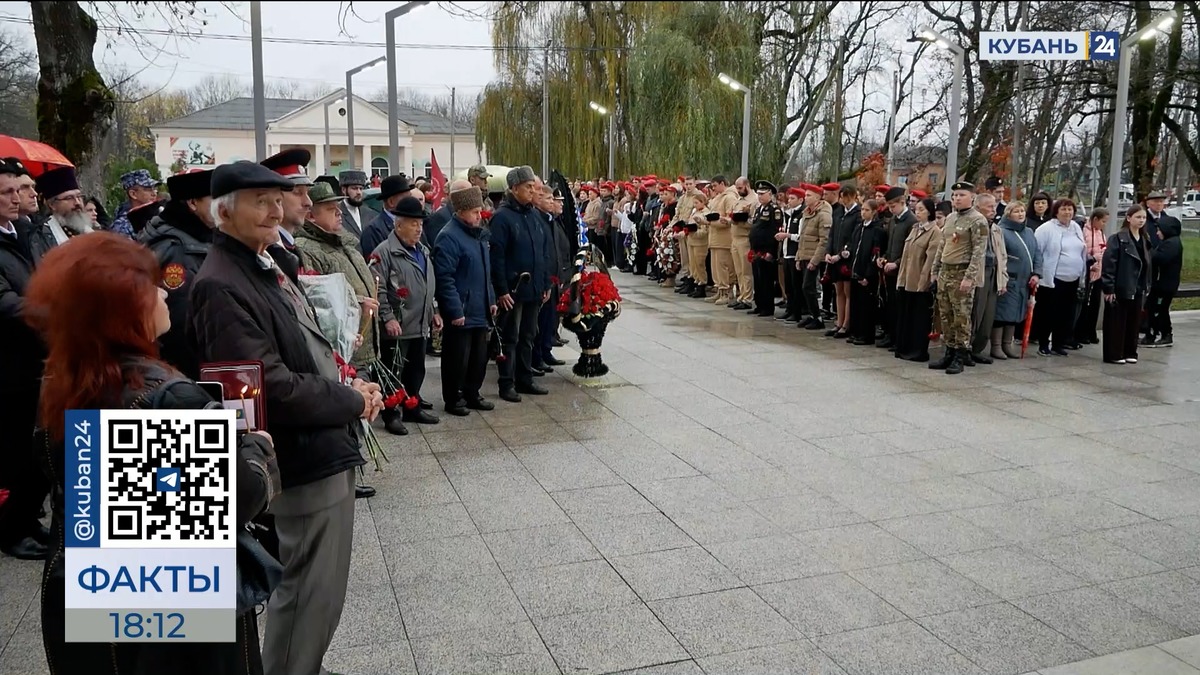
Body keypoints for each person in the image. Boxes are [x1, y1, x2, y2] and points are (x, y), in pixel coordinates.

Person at [26, 231, 280, 674]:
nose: (165, 292)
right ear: (122, 307)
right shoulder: (169, 397)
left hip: (97, 583)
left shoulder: (65, 379)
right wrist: (254, 446)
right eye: (150, 285)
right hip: (174, 600)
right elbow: (236, 499)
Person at [188, 161, 383, 675]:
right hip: (300, 457)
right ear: (223, 210)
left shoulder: (262, 260)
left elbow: (305, 348)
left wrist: (348, 385)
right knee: (306, 593)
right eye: (260, 200)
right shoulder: (220, 282)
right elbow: (265, 386)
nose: (275, 210)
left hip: (322, 442)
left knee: (322, 593)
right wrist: (350, 402)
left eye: (279, 199)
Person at [0, 158, 51, 560]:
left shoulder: (26, 232)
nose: (16, 199)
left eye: (17, 190)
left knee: (37, 449)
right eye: (6, 193)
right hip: (10, 362)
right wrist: (54, 310)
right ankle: (12, 529)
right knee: (17, 451)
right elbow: (5, 302)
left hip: (40, 354)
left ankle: (28, 517)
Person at [368, 194, 442, 430]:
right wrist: (388, 318)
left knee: (416, 370)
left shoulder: (423, 250)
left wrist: (434, 311)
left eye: (420, 224)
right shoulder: (384, 252)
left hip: (419, 324)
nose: (419, 229)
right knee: (393, 372)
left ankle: (413, 407)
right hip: (397, 327)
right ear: (398, 225)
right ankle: (391, 414)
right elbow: (377, 289)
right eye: (413, 224)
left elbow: (427, 286)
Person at [138, 168, 217, 379]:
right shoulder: (178, 251)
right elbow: (181, 326)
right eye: (215, 199)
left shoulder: (198, 238)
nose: (223, 206)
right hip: (188, 374)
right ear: (193, 203)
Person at [489, 166, 553, 402]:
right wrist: (502, 289)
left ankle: (525, 379)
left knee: (529, 335)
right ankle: (506, 383)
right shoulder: (502, 218)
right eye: (528, 187)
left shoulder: (534, 215)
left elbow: (543, 252)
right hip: (513, 291)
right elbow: (497, 257)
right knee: (510, 338)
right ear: (514, 189)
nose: (532, 191)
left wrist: (546, 283)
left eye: (534, 187)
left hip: (534, 288)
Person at [434, 183, 498, 416]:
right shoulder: (449, 237)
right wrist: (455, 311)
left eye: (480, 211)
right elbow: (445, 278)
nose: (479, 216)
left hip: (480, 308)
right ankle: (453, 398)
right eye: (474, 212)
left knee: (478, 357)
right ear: (461, 212)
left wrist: (491, 299)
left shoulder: (478, 234)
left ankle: (473, 392)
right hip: (461, 309)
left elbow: (485, 272)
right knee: (457, 359)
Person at [929, 182, 988, 374]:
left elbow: (978, 252)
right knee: (945, 315)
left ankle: (961, 355)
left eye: (961, 195)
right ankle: (949, 351)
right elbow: (942, 245)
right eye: (954, 195)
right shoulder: (951, 218)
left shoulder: (978, 220)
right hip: (946, 271)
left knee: (961, 316)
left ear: (972, 197)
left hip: (961, 271)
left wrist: (969, 277)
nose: (957, 199)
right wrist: (935, 269)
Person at [1032, 198, 1087, 357]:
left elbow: (1081, 250)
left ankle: (1058, 343)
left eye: (1070, 209)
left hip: (1073, 278)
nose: (1067, 212)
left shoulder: (1076, 227)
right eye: (1064, 209)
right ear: (1056, 211)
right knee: (1048, 313)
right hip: (1053, 279)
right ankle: (1043, 343)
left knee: (1066, 314)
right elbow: (1038, 252)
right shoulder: (1046, 229)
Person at [894, 197, 943, 362]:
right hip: (907, 279)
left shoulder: (934, 232)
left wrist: (924, 283)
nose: (918, 212)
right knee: (906, 315)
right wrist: (901, 279)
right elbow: (906, 255)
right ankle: (904, 347)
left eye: (922, 209)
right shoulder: (915, 228)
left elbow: (930, 261)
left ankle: (917, 350)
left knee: (919, 318)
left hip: (920, 282)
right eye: (917, 209)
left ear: (930, 212)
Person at [1100, 204, 1152, 364]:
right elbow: (1109, 264)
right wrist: (1109, 287)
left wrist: (1146, 286)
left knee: (1133, 321)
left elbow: (1147, 264)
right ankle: (1114, 353)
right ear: (1129, 218)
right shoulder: (1118, 239)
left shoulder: (1144, 239)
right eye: (1138, 217)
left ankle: (1130, 351)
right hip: (1121, 286)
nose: (1141, 220)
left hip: (1138, 287)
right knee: (1117, 322)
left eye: (1143, 217)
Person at [992, 201, 1041, 360]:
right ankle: (997, 346)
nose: (1020, 214)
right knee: (1002, 313)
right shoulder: (1002, 231)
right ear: (1008, 214)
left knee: (1015, 314)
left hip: (1024, 282)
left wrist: (1036, 273)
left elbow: (1037, 254)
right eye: (1016, 211)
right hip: (1009, 280)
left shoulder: (1029, 232)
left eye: (1022, 211)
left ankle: (1008, 343)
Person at [967, 193, 1009, 364]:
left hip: (993, 273)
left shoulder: (996, 229)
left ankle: (977, 348)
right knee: (974, 312)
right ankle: (966, 348)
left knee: (987, 315)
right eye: (989, 207)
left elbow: (1002, 256)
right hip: (978, 273)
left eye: (994, 206)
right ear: (978, 208)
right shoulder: (972, 225)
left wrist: (1003, 278)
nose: (994, 210)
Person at [845, 198, 888, 345]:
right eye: (862, 209)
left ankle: (866, 335)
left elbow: (875, 253)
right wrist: (847, 253)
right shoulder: (859, 227)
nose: (863, 213)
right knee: (855, 303)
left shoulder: (877, 230)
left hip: (867, 273)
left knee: (866, 305)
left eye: (867, 210)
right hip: (855, 270)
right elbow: (853, 246)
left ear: (874, 212)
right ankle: (855, 332)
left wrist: (868, 275)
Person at [1144, 191, 1183, 348]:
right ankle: (1152, 333)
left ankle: (1164, 334)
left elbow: (1159, 258)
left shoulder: (1171, 244)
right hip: (1162, 282)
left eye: (1160, 230)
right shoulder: (1169, 242)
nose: (1158, 233)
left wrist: (1149, 249)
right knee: (1154, 308)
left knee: (1159, 309)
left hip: (1165, 284)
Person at [878, 186, 916, 349]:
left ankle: (897, 337)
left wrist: (897, 263)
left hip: (902, 270)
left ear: (902, 202)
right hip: (889, 268)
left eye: (893, 206)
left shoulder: (911, 221)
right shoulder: (893, 220)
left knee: (899, 305)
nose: (891, 209)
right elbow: (890, 244)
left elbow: (910, 251)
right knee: (889, 303)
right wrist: (884, 258)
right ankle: (889, 334)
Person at [824, 185, 861, 338]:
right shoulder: (838, 212)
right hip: (835, 257)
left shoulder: (857, 214)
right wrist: (828, 252)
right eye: (842, 197)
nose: (844, 201)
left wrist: (842, 254)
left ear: (853, 196)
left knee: (847, 291)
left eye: (846, 197)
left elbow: (855, 237)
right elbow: (832, 234)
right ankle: (839, 322)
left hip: (847, 258)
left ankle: (847, 323)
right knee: (838, 290)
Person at [796, 183, 832, 330]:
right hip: (805, 254)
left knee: (808, 287)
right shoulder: (807, 213)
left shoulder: (823, 214)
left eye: (809, 195)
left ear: (818, 197)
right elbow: (803, 237)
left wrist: (815, 260)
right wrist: (798, 257)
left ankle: (818, 317)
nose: (805, 198)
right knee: (805, 287)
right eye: (805, 195)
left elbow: (824, 240)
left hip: (814, 257)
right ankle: (812, 315)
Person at [360, 174, 420, 257]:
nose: (410, 201)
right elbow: (375, 265)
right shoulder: (373, 231)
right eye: (405, 198)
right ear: (391, 202)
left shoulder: (416, 224)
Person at [35, 166, 97, 245]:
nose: (77, 202)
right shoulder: (42, 236)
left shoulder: (90, 232)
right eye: (69, 198)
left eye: (79, 196)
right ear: (52, 204)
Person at [748, 180, 784, 317]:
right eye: (758, 194)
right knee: (757, 279)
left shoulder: (774, 210)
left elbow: (773, 232)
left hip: (766, 250)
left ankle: (767, 308)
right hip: (756, 250)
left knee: (766, 280)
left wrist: (770, 252)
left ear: (770, 194)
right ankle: (759, 304)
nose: (760, 196)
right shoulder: (759, 210)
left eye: (763, 194)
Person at [1074, 208, 1109, 346]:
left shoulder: (1100, 232)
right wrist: (1090, 262)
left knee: (1094, 304)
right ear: (1095, 219)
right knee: (1084, 305)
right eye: (1103, 221)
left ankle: (1090, 331)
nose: (1104, 224)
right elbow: (1082, 251)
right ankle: (1080, 332)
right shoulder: (1084, 232)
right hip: (1088, 271)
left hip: (1098, 272)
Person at [109, 169, 161, 238]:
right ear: (133, 194)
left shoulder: (156, 216)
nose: (154, 194)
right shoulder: (122, 227)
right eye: (147, 189)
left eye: (154, 189)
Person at [337, 169, 378, 240]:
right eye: (354, 188)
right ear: (344, 190)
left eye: (361, 188)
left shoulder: (370, 213)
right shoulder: (336, 213)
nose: (359, 192)